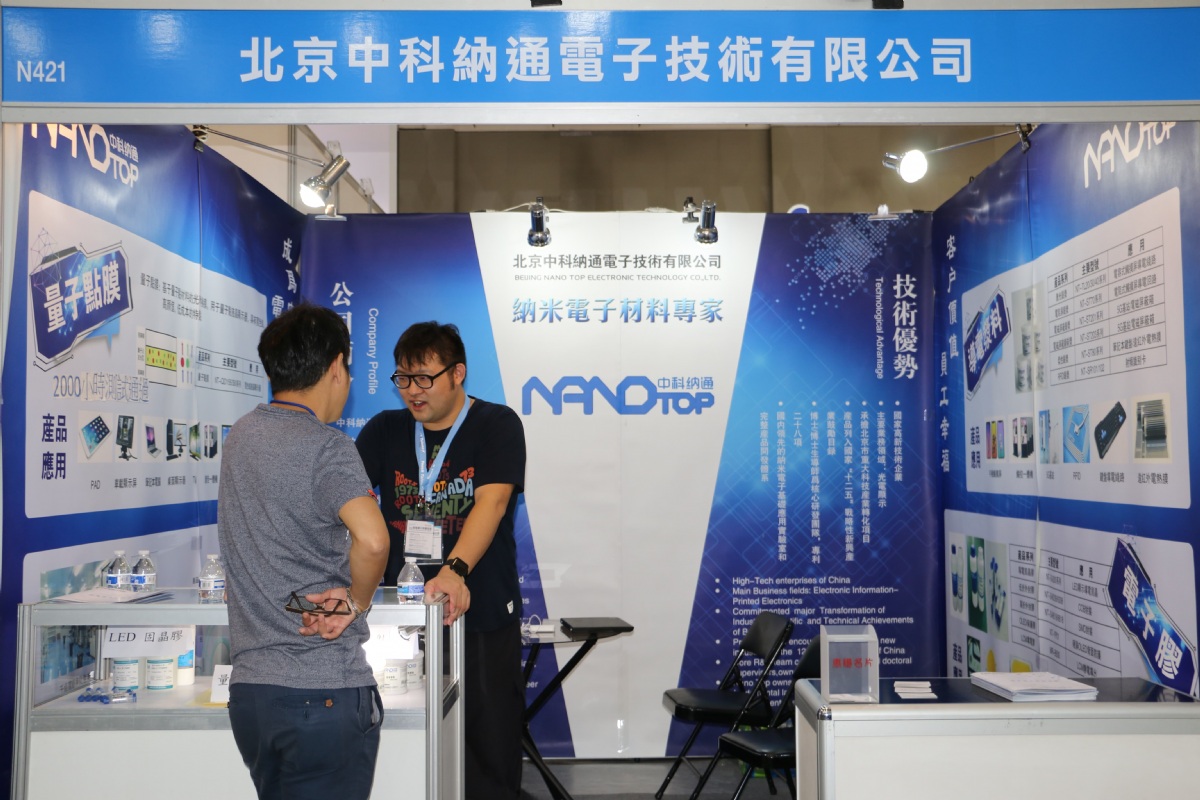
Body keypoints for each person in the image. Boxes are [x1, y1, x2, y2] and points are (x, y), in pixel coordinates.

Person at [218, 304, 391, 800]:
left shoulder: (240, 436)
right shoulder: (327, 447)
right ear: (336, 366)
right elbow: (374, 539)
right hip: (323, 688)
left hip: (252, 695)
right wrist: (356, 602)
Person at [357, 321, 527, 800]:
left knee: (487, 744)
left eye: (424, 378)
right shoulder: (385, 430)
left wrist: (455, 571)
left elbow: (492, 502)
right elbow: (347, 498)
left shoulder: (496, 424)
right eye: (403, 378)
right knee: (407, 736)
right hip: (403, 618)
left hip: (479, 610)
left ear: (458, 373)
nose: (413, 390)